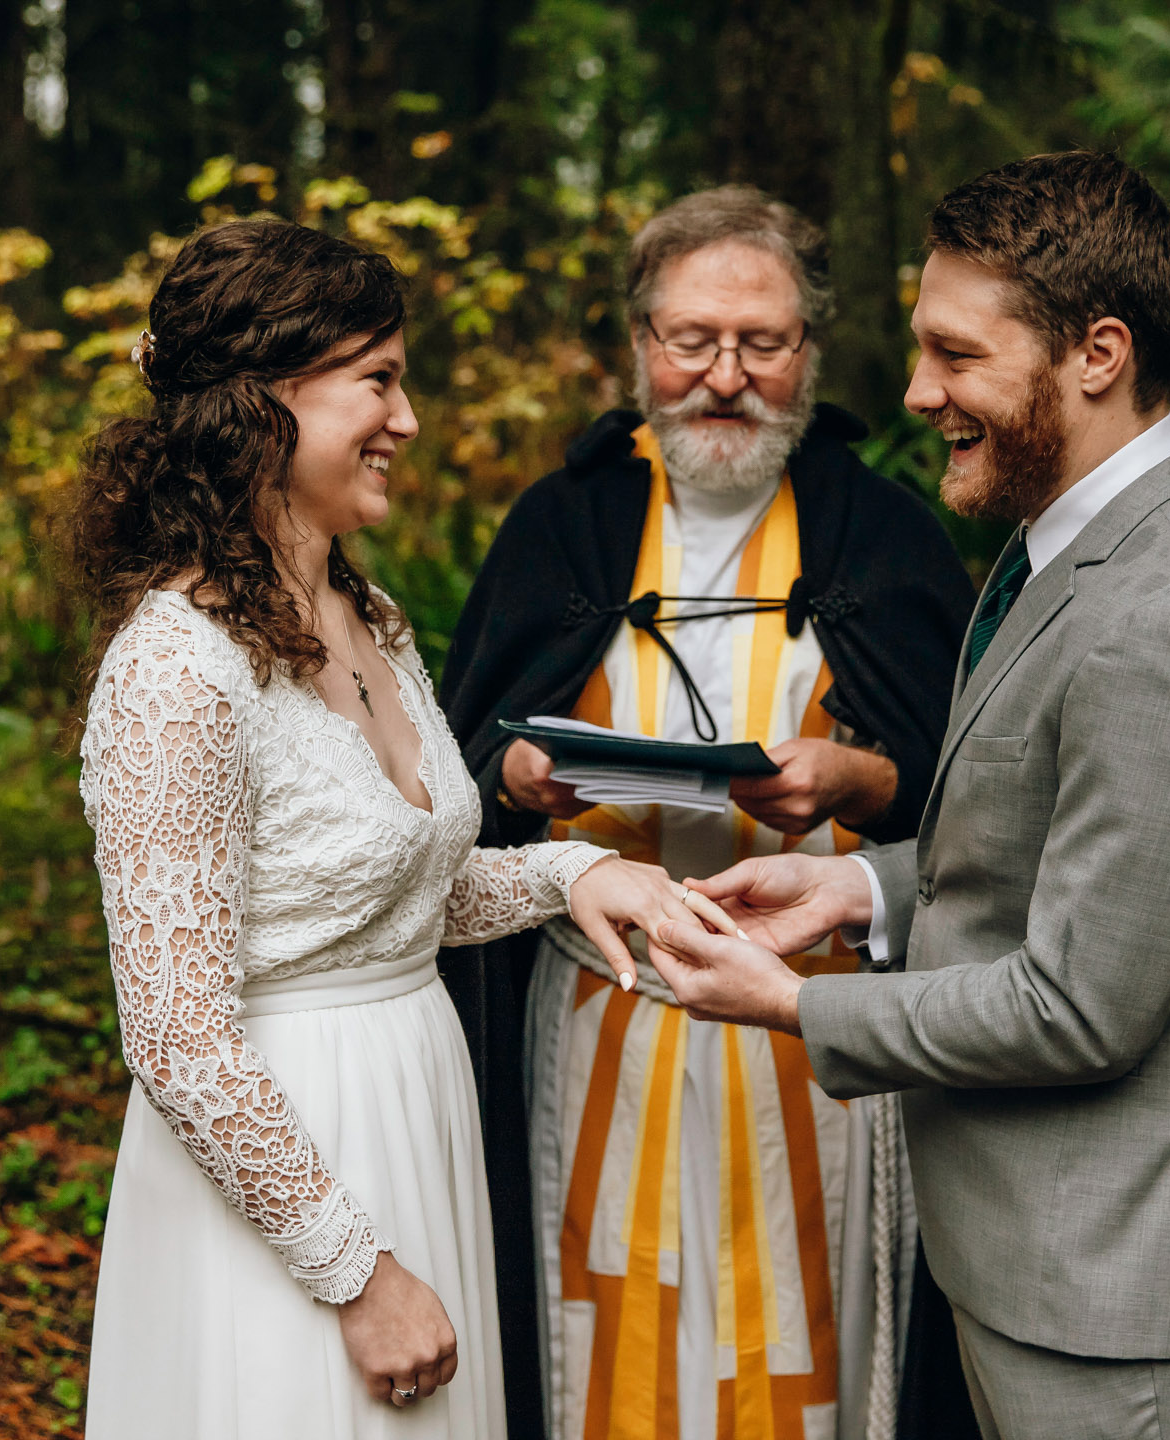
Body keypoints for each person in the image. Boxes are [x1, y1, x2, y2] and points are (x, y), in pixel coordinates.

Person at [648, 151, 1170, 1440]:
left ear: (1098, 354)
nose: (917, 393)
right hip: (1025, 1256)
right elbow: (1041, 844)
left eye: (955, 355)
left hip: (1119, 1303)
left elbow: (1082, 1006)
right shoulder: (1053, 549)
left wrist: (795, 1004)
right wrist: (853, 883)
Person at [69, 218, 705, 1440]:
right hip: (287, 1170)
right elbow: (176, 1035)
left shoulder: (371, 613)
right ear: (260, 406)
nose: (407, 419)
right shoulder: (175, 670)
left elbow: (399, 893)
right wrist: (355, 1273)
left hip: (418, 1107)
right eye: (378, 379)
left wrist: (578, 873)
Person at [439, 187, 975, 1440]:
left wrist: (865, 781)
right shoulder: (559, 525)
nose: (723, 376)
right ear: (640, 347)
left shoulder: (883, 532)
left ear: (812, 355)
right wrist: (516, 781)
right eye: (691, 340)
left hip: (816, 1028)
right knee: (601, 1330)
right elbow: (456, 761)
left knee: (803, 1336)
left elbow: (975, 787)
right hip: (598, 1020)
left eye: (762, 343)